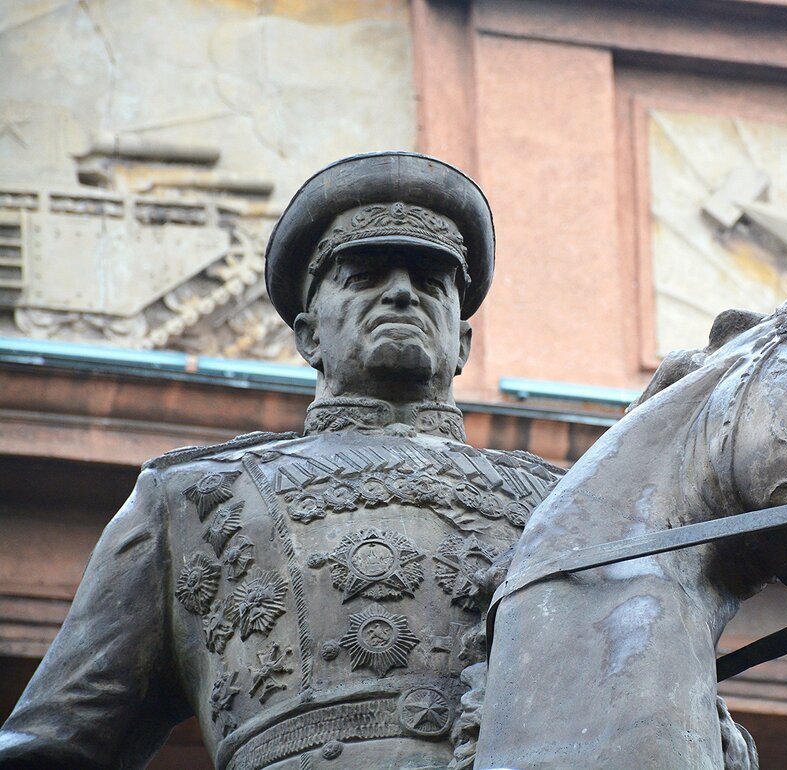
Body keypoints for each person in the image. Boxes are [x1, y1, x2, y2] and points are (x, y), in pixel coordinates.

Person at [0, 152, 564, 770]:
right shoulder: (194, 500)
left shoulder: (561, 504)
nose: (402, 292)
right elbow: (57, 743)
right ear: (308, 337)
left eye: (432, 282)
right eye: (365, 275)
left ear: (462, 344)